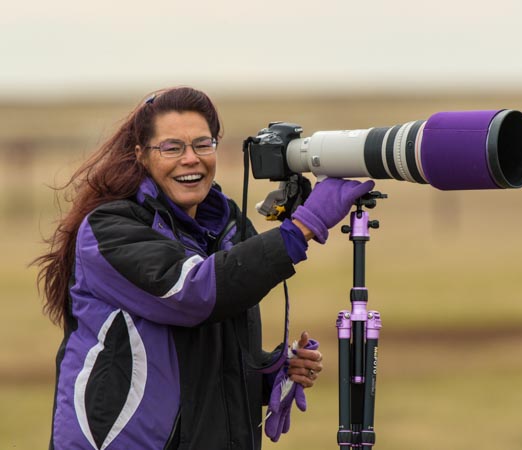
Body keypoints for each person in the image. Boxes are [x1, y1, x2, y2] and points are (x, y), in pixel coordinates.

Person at [35, 86, 374, 449]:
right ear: (141, 156)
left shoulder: (226, 227)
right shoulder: (110, 230)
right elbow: (194, 293)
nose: (190, 158)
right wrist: (302, 227)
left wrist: (271, 372)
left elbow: (201, 353)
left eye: (202, 144)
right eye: (171, 147)